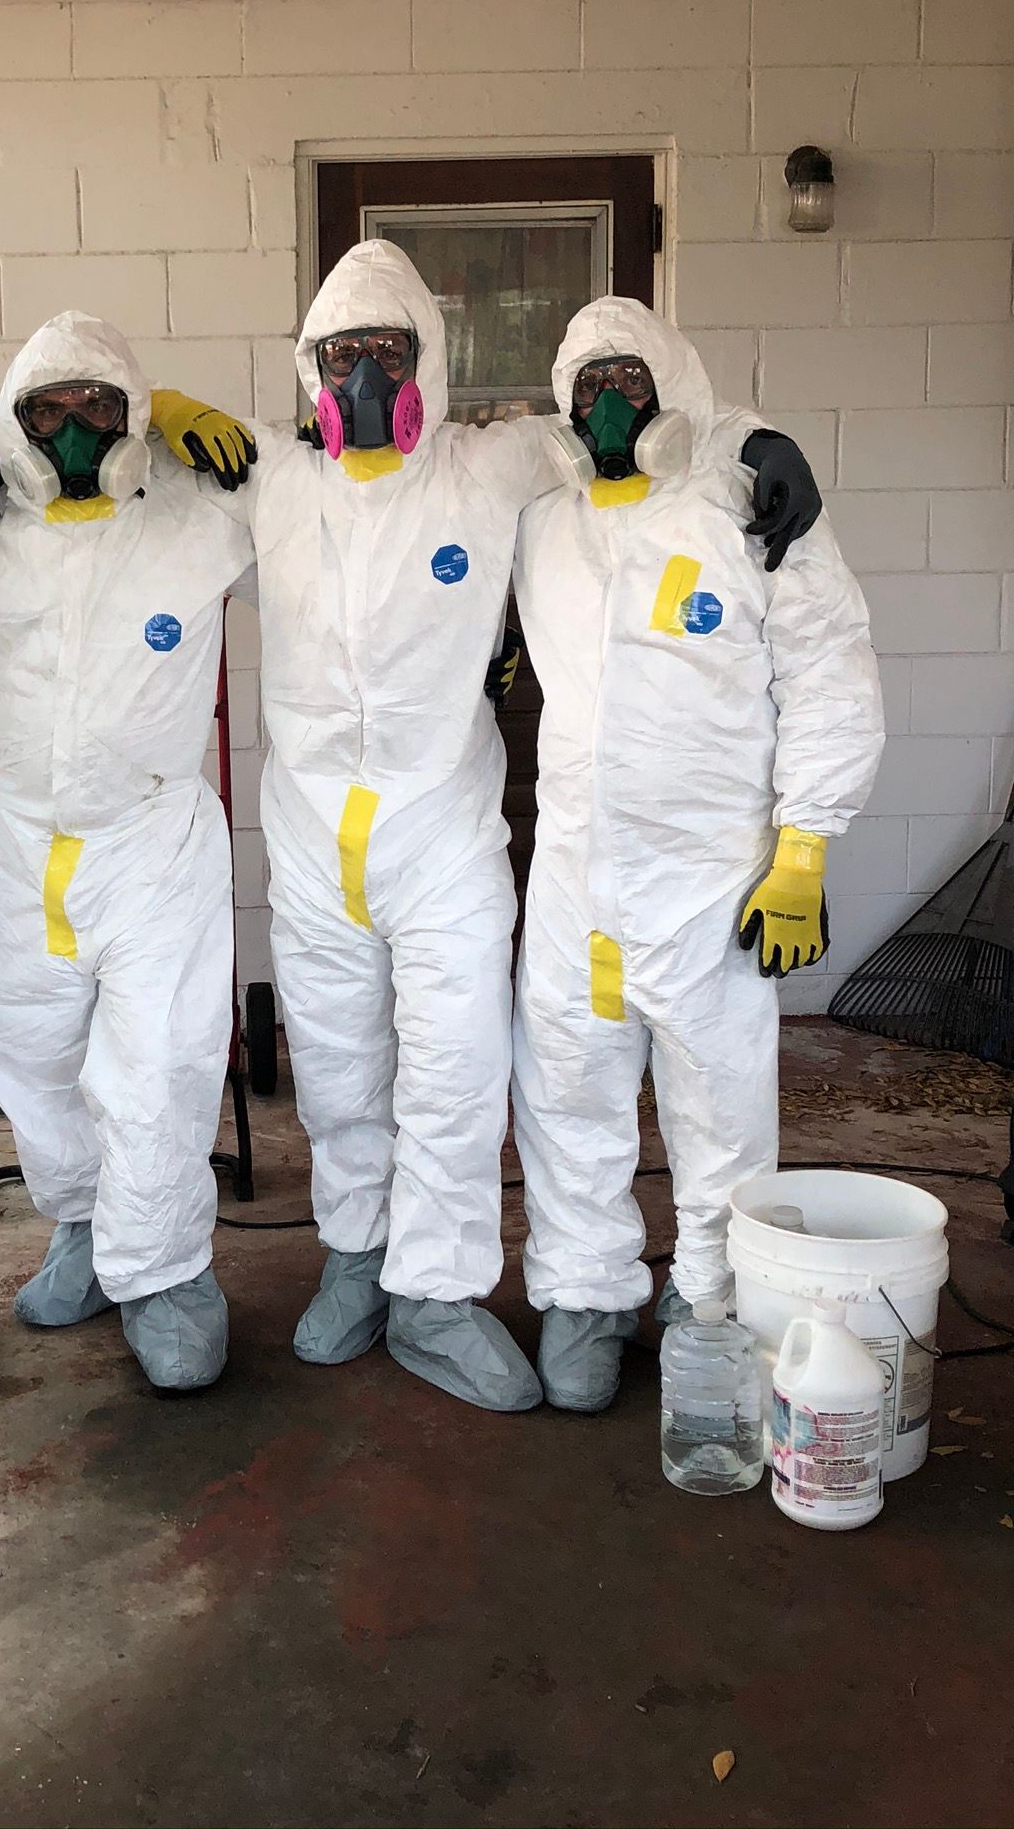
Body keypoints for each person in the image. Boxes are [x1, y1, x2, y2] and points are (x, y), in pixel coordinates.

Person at [149, 241, 824, 1413]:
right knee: (343, 1069)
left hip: (441, 834)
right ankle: (358, 1256)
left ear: (431, 359)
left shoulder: (490, 465)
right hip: (310, 840)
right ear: (307, 368)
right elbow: (88, 462)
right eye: (340, 354)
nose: (362, 375)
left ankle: (440, 1294)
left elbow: (641, 423)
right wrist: (155, 412)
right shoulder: (270, 478)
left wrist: (755, 440)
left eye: (388, 351)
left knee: (458, 1072)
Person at [508, 297, 884, 1412]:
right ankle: (584, 1287)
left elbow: (829, 671)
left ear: (676, 382)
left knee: (719, 1106)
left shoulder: (750, 503)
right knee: (567, 1087)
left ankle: (712, 1297)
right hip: (576, 870)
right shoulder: (544, 516)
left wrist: (804, 847)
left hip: (711, 874)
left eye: (629, 379)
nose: (608, 404)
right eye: (587, 387)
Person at [0, 312, 256, 1394]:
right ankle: (80, 1223)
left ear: (135, 412)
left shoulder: (200, 507)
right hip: (21, 831)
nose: (74, 432)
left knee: (161, 1061)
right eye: (46, 412)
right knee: (26, 1045)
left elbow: (351, 495)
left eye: (101, 408)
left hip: (153, 833)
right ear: (12, 422)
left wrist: (182, 416)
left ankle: (165, 1271)